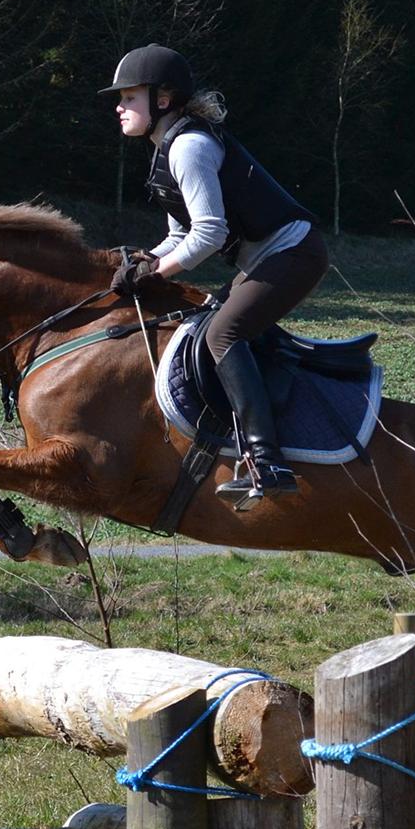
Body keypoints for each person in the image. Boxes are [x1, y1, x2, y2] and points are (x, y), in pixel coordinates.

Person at [99, 43, 328, 503]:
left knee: (222, 334)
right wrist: (145, 261)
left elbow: (208, 234)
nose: (119, 107)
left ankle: (268, 463)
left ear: (162, 100)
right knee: (203, 323)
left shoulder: (189, 147)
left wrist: (158, 272)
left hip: (294, 253)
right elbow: (180, 234)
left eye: (129, 97)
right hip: (268, 259)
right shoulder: (167, 149)